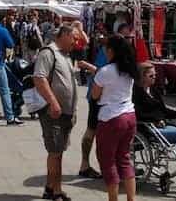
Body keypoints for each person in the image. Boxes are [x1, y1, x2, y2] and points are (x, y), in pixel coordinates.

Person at [81, 34, 137, 201]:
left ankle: (113, 198)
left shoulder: (106, 71)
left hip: (111, 118)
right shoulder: (129, 69)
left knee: (108, 161)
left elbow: (95, 95)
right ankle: (131, 198)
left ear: (111, 50)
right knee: (124, 159)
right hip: (129, 115)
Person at [34, 25, 77, 201]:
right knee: (55, 152)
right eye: (73, 37)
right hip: (54, 113)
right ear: (64, 35)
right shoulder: (48, 52)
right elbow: (39, 78)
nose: (76, 41)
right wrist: (53, 102)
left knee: (58, 151)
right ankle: (56, 191)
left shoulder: (64, 55)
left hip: (65, 113)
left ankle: (50, 188)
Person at [134, 62, 176, 186]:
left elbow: (164, 110)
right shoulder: (135, 93)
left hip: (160, 126)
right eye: (151, 76)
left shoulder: (154, 90)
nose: (154, 77)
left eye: (155, 75)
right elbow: (138, 114)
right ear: (142, 77)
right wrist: (156, 120)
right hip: (147, 129)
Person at [76, 31, 106, 180]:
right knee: (93, 131)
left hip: (105, 98)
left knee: (96, 132)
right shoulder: (105, 51)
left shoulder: (108, 50)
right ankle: (85, 165)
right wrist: (90, 67)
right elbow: (100, 73)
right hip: (98, 97)